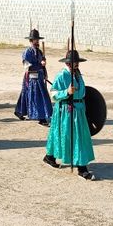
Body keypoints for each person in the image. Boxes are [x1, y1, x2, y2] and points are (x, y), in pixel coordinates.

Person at [43, 49, 96, 180]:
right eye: (74, 62)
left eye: (77, 62)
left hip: (79, 109)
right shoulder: (62, 76)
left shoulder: (78, 74)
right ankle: (81, 168)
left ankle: (50, 157)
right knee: (71, 137)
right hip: (67, 110)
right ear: (67, 63)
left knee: (77, 137)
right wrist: (66, 92)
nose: (77, 64)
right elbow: (53, 94)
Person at [14, 29, 52, 126]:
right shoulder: (27, 52)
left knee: (29, 95)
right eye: (35, 40)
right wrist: (40, 64)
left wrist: (44, 69)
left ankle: (20, 111)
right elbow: (27, 66)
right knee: (36, 97)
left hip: (39, 77)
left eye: (38, 40)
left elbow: (43, 64)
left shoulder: (39, 52)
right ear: (31, 41)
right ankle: (41, 117)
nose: (37, 42)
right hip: (31, 78)